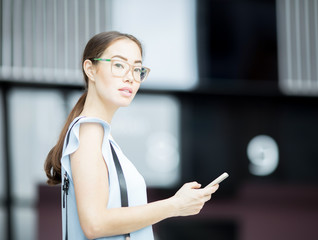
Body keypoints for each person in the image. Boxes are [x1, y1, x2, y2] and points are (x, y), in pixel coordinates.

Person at [44, 31, 219, 240]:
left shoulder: (99, 135)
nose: (130, 77)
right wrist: (175, 205)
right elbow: (95, 224)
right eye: (119, 65)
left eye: (137, 69)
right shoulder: (89, 131)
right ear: (90, 69)